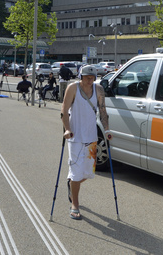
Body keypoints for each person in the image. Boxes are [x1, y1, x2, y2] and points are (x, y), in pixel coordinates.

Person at [61, 65, 112, 221]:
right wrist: (67, 129)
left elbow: (103, 111)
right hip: (75, 137)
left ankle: (70, 184)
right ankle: (75, 205)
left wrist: (107, 130)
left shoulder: (99, 90)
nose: (90, 80)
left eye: (92, 78)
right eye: (87, 77)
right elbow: (64, 110)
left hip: (91, 137)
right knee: (77, 174)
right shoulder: (72, 88)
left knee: (88, 173)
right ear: (81, 76)